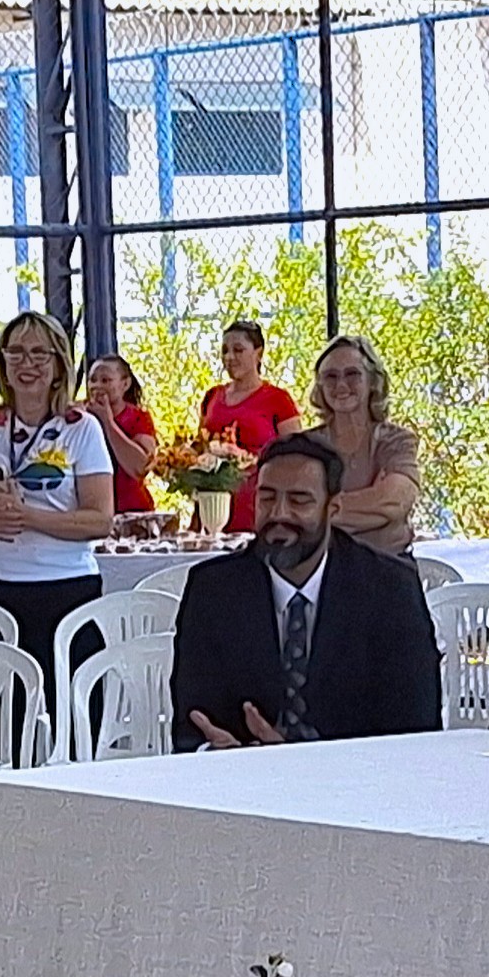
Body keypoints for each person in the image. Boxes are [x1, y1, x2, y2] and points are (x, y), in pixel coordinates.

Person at [170, 436, 440, 748]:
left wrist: (299, 760)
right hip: (242, 782)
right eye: (267, 499)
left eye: (299, 501)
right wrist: (221, 753)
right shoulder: (214, 590)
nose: (279, 514)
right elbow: (192, 723)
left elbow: (416, 727)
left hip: (359, 784)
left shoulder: (389, 589)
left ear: (333, 508)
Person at [0, 310, 117, 686]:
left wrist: (29, 517)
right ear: (2, 362)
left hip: (64, 588)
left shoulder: (82, 429)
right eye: (16, 352)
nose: (27, 364)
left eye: (40, 354)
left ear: (59, 365)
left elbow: (100, 520)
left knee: (68, 714)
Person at [305, 334, 424, 557]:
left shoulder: (397, 441)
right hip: (323, 568)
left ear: (372, 382)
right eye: (330, 376)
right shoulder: (306, 446)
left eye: (352, 374)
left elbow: (394, 502)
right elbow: (292, 515)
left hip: (388, 566)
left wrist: (323, 509)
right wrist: (371, 503)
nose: (341, 384)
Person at [199, 319, 299, 534]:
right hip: (212, 505)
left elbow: (295, 456)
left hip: (258, 505)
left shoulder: (278, 399)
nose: (229, 358)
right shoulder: (213, 396)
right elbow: (200, 448)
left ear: (258, 353)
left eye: (238, 350)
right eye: (225, 351)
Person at [82, 353, 164, 518]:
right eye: (92, 380)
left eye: (105, 380)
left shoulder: (139, 418)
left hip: (134, 511)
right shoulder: (79, 417)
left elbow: (140, 467)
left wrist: (108, 423)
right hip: (92, 512)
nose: (97, 386)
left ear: (125, 384)